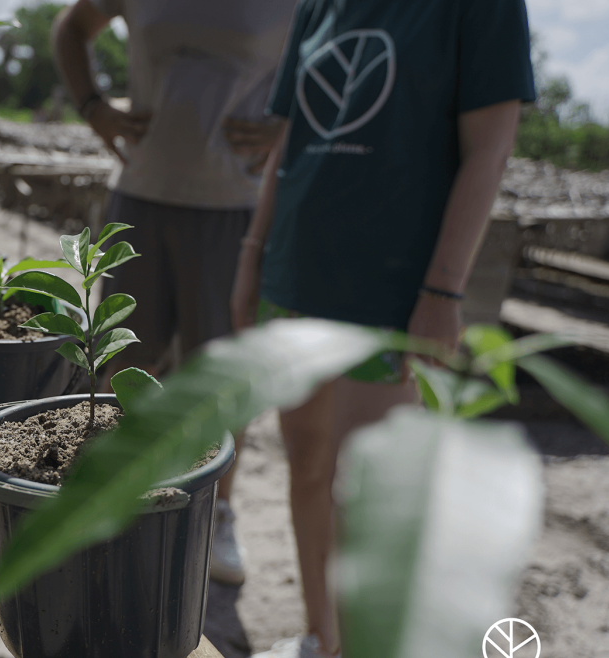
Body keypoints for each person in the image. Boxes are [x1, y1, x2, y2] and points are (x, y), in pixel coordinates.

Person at [231, 0, 536, 656]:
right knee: (306, 463)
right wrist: (253, 257)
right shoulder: (318, 7)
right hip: (296, 274)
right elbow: (289, 141)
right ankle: (323, 637)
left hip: (391, 296)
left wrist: (441, 290)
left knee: (369, 500)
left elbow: (490, 147)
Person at [52, 0, 296, 587]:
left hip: (233, 207)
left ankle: (217, 514)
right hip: (142, 196)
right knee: (124, 365)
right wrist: (94, 108)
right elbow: (71, 28)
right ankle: (123, 503)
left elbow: (333, 67)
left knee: (222, 376)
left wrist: (291, 126)